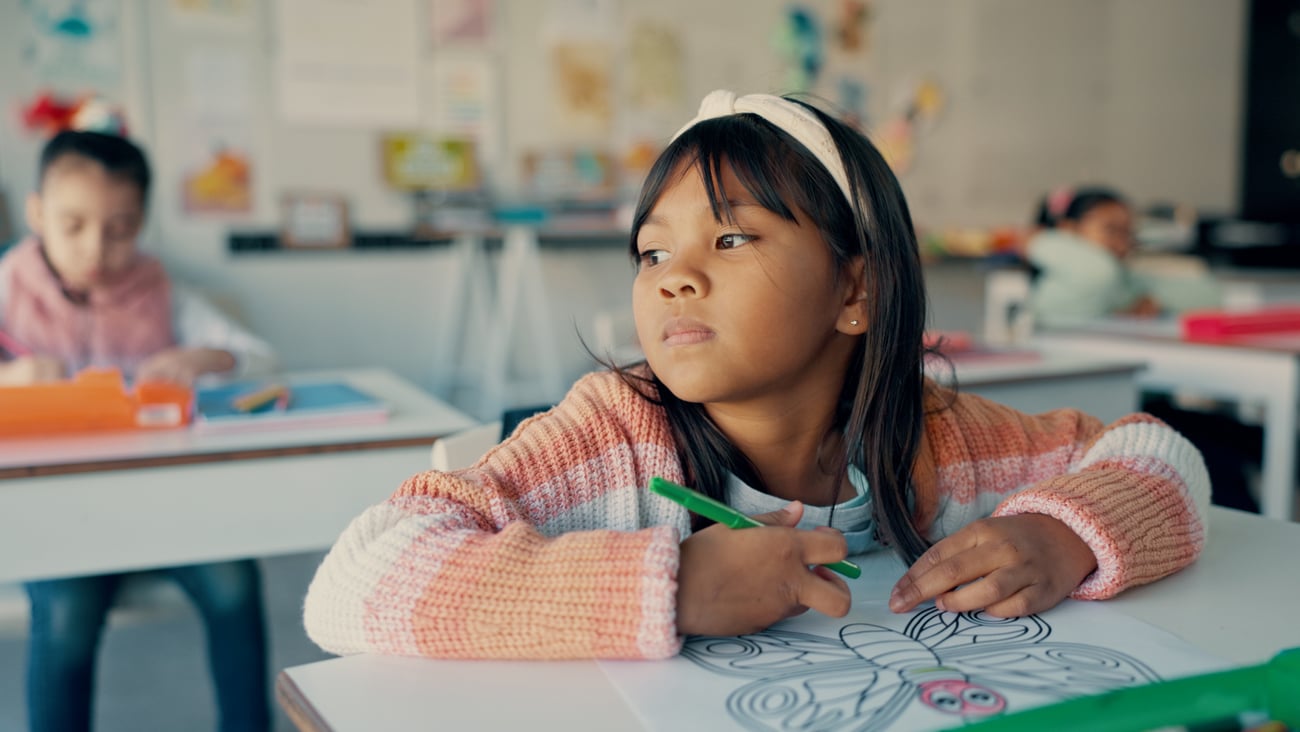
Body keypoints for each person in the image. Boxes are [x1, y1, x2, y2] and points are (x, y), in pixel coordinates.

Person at [303, 91, 1210, 661]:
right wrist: (668, 586)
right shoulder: (610, 439)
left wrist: (1066, 539)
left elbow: (1161, 457)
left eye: (731, 238)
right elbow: (353, 585)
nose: (673, 276)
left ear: (856, 289)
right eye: (651, 250)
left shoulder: (948, 440)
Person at [0, 130, 275, 731]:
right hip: (57, 511)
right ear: (36, 213)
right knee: (68, 614)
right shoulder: (7, 289)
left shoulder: (159, 290)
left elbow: (256, 355)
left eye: (120, 229)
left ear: (143, 222)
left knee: (233, 583)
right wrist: (13, 378)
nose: (96, 248)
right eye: (72, 225)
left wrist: (205, 359)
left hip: (164, 507)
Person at [1027, 185, 1260, 513]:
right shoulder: (1060, 287)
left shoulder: (1124, 283)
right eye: (1110, 229)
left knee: (1244, 440)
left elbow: (1209, 294)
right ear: (1066, 233)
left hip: (1137, 410)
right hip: (1090, 424)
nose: (1122, 242)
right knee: (1219, 456)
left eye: (1128, 233)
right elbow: (1098, 274)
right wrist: (1038, 238)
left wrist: (1154, 299)